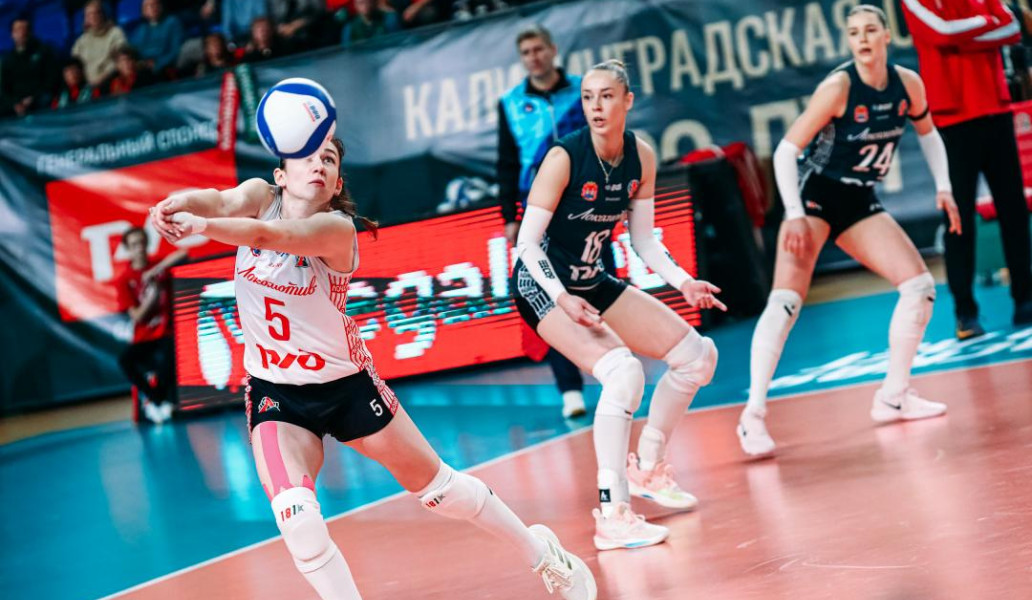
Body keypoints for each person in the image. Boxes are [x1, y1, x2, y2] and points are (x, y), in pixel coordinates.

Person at [148, 137, 596, 600]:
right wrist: (177, 204)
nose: (318, 165)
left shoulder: (336, 229)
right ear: (281, 175)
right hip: (276, 392)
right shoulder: (261, 196)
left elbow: (268, 237)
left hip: (347, 387)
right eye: (307, 158)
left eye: (328, 160)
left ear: (337, 183)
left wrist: (201, 226)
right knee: (299, 521)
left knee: (441, 491)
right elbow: (222, 200)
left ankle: (543, 553)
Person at [512, 59, 725, 550]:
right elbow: (526, 244)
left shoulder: (640, 157)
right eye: (588, 97)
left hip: (591, 280)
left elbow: (644, 240)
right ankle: (613, 514)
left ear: (627, 101)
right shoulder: (565, 157)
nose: (596, 106)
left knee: (698, 356)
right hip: (543, 286)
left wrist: (684, 282)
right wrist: (562, 297)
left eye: (607, 96)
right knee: (624, 374)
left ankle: (648, 465)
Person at [736, 5, 963, 457]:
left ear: (886, 36)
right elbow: (785, 151)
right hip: (816, 195)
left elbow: (928, 133)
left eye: (870, 30)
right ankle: (752, 416)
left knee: (919, 287)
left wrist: (944, 187)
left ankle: (893, 396)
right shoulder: (838, 87)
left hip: (859, 199)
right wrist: (794, 213)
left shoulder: (907, 84)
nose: (862, 39)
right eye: (854, 32)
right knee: (785, 301)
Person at [901, 0, 1032, 339]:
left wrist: (967, 36)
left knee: (1015, 211)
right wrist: (986, 24)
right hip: (952, 119)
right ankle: (965, 313)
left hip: (996, 109)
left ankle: (1025, 299)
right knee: (958, 220)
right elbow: (942, 34)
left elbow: (1013, 28)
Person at [498, 25, 591, 419]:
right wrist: (509, 217)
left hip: (586, 198)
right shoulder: (511, 103)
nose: (533, 57)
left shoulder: (583, 90)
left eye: (539, 49)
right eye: (526, 52)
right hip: (537, 204)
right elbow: (506, 162)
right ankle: (570, 389)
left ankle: (617, 367)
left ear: (553, 50)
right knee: (547, 292)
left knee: (598, 282)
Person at [115, 226, 186, 424]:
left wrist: (155, 271)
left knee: (172, 355)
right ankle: (157, 400)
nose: (139, 248)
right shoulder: (124, 279)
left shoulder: (157, 266)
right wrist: (152, 298)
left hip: (167, 332)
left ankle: (158, 402)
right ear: (128, 249)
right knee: (125, 361)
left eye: (141, 243)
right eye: (134, 245)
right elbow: (137, 316)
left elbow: (183, 254)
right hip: (144, 337)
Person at [0, 15, 58, 118]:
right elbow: (5, 89)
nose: (22, 33)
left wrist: (33, 98)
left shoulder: (43, 52)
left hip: (39, 99)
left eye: (25, 29)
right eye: (18, 30)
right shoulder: (8, 60)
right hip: (16, 104)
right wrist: (15, 104)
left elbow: (50, 80)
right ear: (12, 34)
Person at [71, 0, 128, 87]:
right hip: (87, 86)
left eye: (96, 13)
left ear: (103, 15)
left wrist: (102, 79)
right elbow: (74, 65)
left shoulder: (116, 33)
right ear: (85, 18)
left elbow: (121, 60)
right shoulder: (81, 41)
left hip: (110, 81)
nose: (93, 17)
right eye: (89, 14)